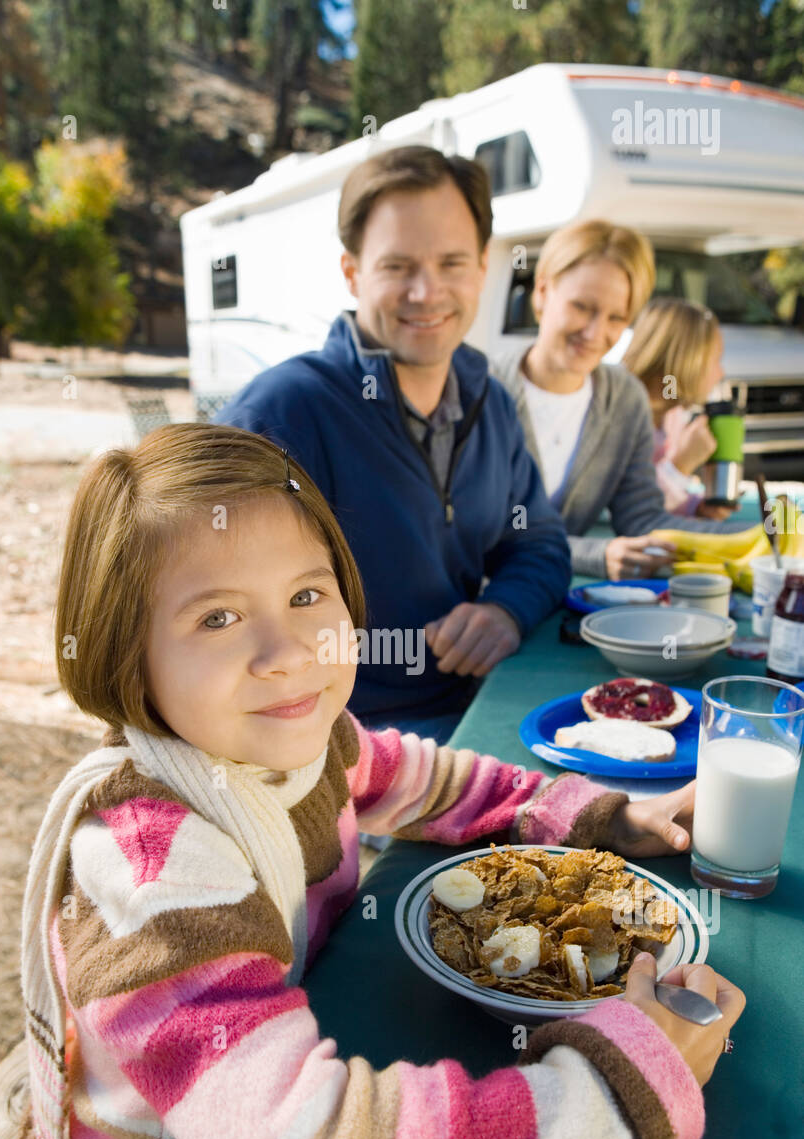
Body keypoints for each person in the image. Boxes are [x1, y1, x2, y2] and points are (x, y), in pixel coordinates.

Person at [2, 423, 744, 1139]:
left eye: (309, 596)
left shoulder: (308, 748)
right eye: (218, 616)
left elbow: (426, 778)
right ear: (126, 652)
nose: (289, 655)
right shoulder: (151, 870)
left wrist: (597, 814)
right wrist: (618, 1090)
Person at [216, 145, 571, 744]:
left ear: (483, 269)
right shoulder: (279, 414)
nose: (426, 292)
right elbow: (214, 620)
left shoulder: (492, 404)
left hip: (475, 712)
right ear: (353, 273)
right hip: (344, 750)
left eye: (452, 263)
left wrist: (505, 609)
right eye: (398, 266)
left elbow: (537, 541)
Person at [492, 221, 751, 580]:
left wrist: (766, 536)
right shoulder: (485, 389)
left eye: (617, 317)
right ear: (541, 292)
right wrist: (596, 555)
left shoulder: (625, 398)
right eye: (582, 307)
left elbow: (644, 519)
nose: (596, 333)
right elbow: (489, 534)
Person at [623, 298, 735, 520]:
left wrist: (695, 507)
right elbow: (627, 505)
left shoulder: (672, 415)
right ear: (686, 361)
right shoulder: (622, 415)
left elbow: (664, 501)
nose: (720, 373)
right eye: (715, 361)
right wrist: (681, 465)